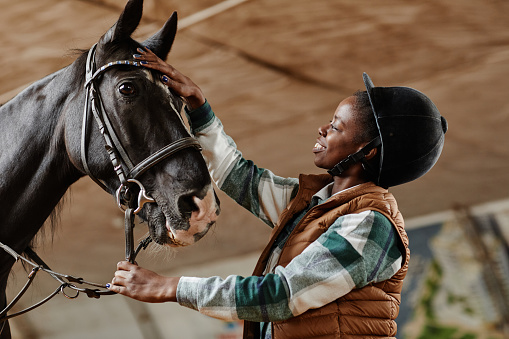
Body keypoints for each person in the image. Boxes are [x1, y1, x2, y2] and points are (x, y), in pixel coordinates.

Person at [107, 47, 447, 338]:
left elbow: (281, 296)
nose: (323, 128)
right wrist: (199, 106)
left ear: (367, 151)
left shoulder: (371, 225)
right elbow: (237, 175)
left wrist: (169, 288)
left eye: (337, 126)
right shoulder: (318, 204)